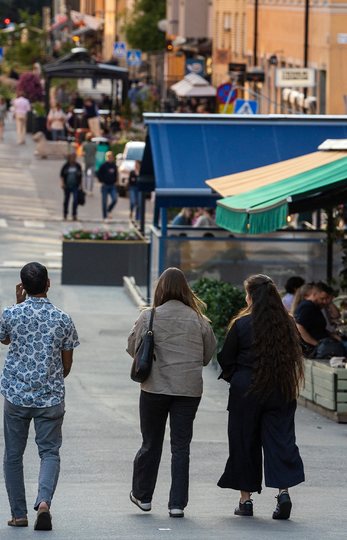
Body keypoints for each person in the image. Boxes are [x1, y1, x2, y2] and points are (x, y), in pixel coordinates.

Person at [126, 268, 216, 518]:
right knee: (181, 447)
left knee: (150, 442)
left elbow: (133, 348)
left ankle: (143, 497)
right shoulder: (199, 320)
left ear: (160, 289)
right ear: (186, 289)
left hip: (154, 388)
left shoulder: (149, 317)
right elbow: (208, 356)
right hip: (188, 390)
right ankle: (177, 504)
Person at [0, 262, 79, 531]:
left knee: (13, 456)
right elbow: (67, 365)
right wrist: (53, 376)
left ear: (23, 286)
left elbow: (5, 340)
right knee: (49, 453)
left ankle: (19, 515)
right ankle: (43, 503)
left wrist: (17, 303)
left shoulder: (11, 313)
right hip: (50, 397)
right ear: (48, 283)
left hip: (16, 396)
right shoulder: (63, 319)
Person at [217, 274, 306, 521]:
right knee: (281, 440)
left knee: (244, 442)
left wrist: (238, 375)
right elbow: (297, 354)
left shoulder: (242, 324)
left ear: (251, 296)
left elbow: (225, 357)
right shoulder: (287, 324)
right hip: (280, 389)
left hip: (246, 389)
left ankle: (245, 501)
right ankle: (283, 494)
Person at [295, 282, 347, 355]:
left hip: (326, 341)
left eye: (326, 299)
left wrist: (333, 335)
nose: (325, 301)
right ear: (314, 295)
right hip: (318, 347)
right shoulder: (307, 307)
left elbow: (318, 328)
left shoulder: (315, 307)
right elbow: (299, 327)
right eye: (322, 298)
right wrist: (316, 344)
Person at [59, 153, 82, 221]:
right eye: (72, 158)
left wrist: (81, 186)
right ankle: (65, 214)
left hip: (75, 185)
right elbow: (62, 175)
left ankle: (74, 214)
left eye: (74, 158)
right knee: (66, 200)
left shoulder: (77, 166)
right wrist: (62, 183)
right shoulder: (66, 166)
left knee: (75, 200)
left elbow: (80, 176)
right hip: (67, 185)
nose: (73, 159)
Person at [97, 151, 119, 219]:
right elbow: (99, 174)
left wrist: (116, 181)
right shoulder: (103, 165)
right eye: (109, 157)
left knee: (115, 199)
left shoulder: (114, 166)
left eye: (111, 157)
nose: (110, 158)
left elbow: (116, 174)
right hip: (105, 185)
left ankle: (109, 209)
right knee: (104, 202)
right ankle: (105, 216)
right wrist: (101, 181)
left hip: (112, 185)